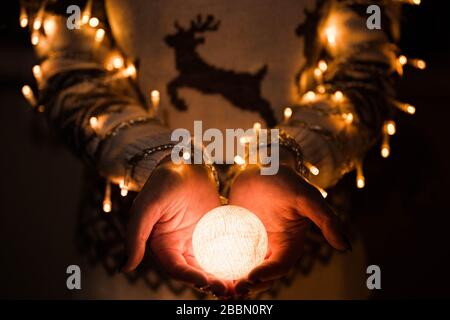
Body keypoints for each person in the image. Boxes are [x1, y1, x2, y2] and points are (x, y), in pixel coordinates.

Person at [21, 0, 406, 299]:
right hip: (126, 270)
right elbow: (71, 68)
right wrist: (161, 160)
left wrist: (287, 156)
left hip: (308, 260)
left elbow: (366, 68)